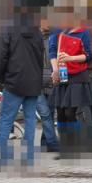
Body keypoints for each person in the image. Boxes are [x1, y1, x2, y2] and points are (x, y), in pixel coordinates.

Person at [0, 10, 44, 165]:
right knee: (30, 119)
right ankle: (27, 158)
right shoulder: (37, 32)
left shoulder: (8, 30)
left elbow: (0, 56)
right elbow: (41, 56)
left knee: (6, 119)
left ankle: (1, 157)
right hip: (33, 81)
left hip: (14, 81)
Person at [49, 20, 92, 153]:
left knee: (70, 112)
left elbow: (89, 54)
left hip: (77, 76)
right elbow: (52, 51)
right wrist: (55, 70)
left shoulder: (83, 31)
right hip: (61, 74)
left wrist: (71, 58)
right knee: (61, 112)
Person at [38, 18, 59, 152]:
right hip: (37, 82)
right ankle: (51, 143)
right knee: (45, 113)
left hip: (52, 81)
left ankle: (45, 142)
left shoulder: (55, 38)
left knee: (49, 113)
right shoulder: (34, 39)